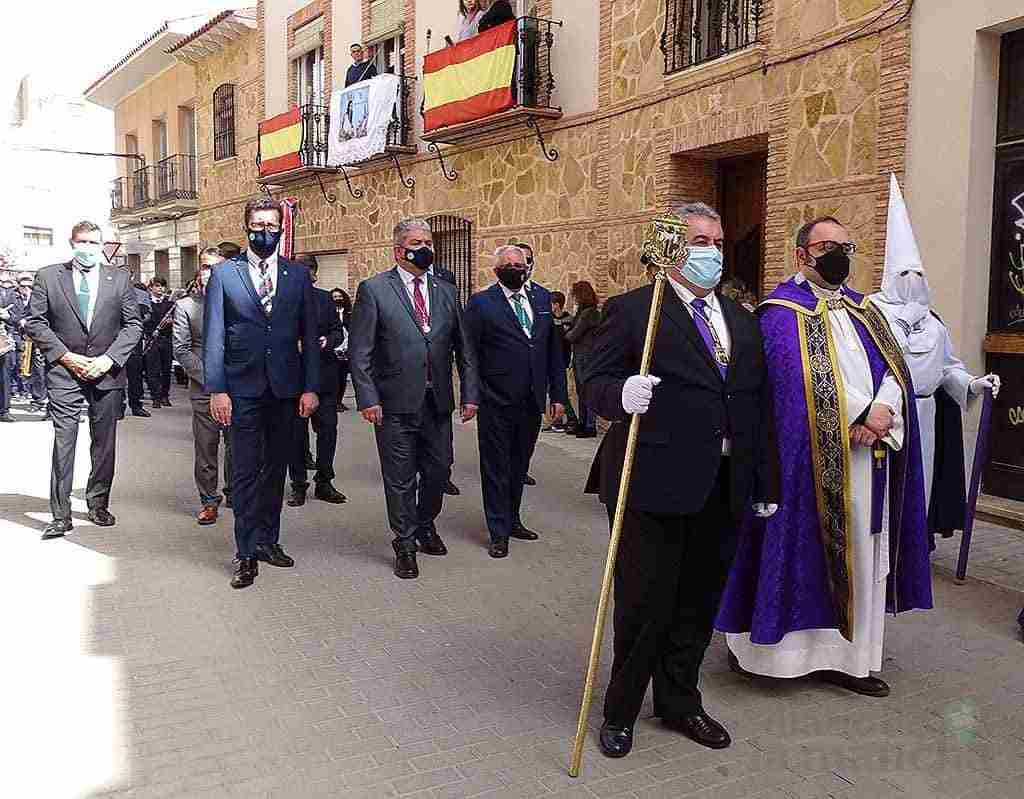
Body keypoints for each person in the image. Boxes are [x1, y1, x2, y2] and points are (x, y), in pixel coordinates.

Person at [583, 206, 779, 758]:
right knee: (646, 603)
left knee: (698, 601)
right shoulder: (634, 311)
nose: (712, 249)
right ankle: (621, 709)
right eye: (698, 240)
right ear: (672, 247)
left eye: (717, 240)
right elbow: (592, 376)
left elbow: (756, 406)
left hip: (723, 483)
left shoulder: (742, 319)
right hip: (652, 481)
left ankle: (679, 701)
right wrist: (618, 396)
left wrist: (764, 482)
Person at [717, 216, 933, 698]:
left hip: (865, 460)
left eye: (845, 245)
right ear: (801, 255)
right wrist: (855, 412)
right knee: (793, 549)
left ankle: (850, 660)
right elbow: (794, 388)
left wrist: (882, 411)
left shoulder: (866, 311)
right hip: (802, 466)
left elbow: (895, 370)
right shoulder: (777, 315)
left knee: (859, 554)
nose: (838, 254)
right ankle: (774, 657)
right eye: (826, 245)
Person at [349, 219, 479, 579]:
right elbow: (361, 352)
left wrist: (470, 394)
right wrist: (367, 398)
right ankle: (405, 542)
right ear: (398, 250)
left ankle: (425, 522)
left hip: (437, 402)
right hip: (392, 404)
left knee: (439, 471)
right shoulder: (374, 289)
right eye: (417, 242)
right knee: (400, 477)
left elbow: (464, 350)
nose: (425, 247)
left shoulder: (447, 291)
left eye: (429, 241)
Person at [869, 175, 1000, 532]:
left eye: (918, 272)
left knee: (921, 486)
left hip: (925, 413)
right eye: (904, 272)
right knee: (887, 491)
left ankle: (916, 543)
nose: (912, 279)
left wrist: (974, 384)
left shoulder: (934, 320)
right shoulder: (871, 311)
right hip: (890, 415)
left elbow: (947, 368)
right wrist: (905, 325)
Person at [203, 198, 320, 589]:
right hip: (242, 391)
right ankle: (246, 551)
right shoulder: (224, 274)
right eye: (257, 224)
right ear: (246, 227)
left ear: (281, 228)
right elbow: (214, 337)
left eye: (271, 224)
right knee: (245, 472)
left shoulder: (298, 275)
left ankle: (269, 540)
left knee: (276, 469)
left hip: (286, 390)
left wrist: (311, 387)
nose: (264, 231)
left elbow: (308, 336)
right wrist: (217, 390)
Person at [25, 221, 143, 540]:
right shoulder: (49, 276)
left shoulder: (119, 278)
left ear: (102, 245)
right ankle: (60, 514)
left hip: (107, 372)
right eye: (82, 242)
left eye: (93, 242)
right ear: (71, 242)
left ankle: (98, 503)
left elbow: (133, 325)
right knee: (65, 441)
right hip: (65, 372)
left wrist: (108, 359)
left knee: (104, 443)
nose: (87, 248)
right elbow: (35, 322)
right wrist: (66, 356)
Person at [464, 245, 567, 558]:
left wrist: (558, 395)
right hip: (495, 399)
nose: (514, 268)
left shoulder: (541, 298)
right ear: (496, 271)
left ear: (528, 266)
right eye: (506, 264)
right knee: (496, 466)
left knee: (519, 464)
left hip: (531, 399)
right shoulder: (481, 303)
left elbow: (553, 351)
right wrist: (472, 395)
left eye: (518, 264)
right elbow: (469, 354)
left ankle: (513, 519)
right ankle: (498, 531)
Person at [173, 247, 234, 525]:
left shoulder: (239, 302)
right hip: (204, 390)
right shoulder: (186, 306)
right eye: (206, 267)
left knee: (238, 446)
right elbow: (182, 350)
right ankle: (209, 500)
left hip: (238, 389)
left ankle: (235, 491)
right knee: (207, 448)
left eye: (216, 267)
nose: (210, 273)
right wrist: (212, 381)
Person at [286, 255, 347, 507]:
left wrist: (326, 341)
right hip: (295, 378)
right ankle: (298, 484)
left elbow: (337, 330)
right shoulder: (284, 300)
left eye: (308, 270)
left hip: (325, 377)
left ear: (314, 273)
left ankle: (325, 481)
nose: (305, 275)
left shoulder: (324, 299)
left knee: (327, 431)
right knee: (296, 435)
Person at [565, 280, 601, 438]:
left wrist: (566, 332)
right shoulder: (584, 312)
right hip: (581, 355)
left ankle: (589, 425)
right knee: (581, 391)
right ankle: (583, 422)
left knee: (587, 390)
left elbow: (574, 334)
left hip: (586, 356)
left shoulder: (589, 313)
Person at [545, 290, 579, 433]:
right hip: (548, 360)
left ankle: (571, 419)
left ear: (556, 305)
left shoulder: (569, 320)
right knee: (552, 391)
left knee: (560, 392)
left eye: (550, 304)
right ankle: (557, 421)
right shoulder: (547, 320)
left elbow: (569, 341)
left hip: (561, 360)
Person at [144, 276, 174, 407]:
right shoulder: (146, 303)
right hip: (152, 340)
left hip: (166, 339)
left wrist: (171, 322)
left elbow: (177, 321)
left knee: (166, 369)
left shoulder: (170, 304)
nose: (160, 288)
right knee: (152, 369)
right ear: (151, 288)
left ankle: (164, 395)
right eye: (157, 286)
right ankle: (155, 396)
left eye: (162, 286)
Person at [329, 287, 352, 410]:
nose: (337, 299)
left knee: (343, 376)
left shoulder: (349, 312)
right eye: (334, 297)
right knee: (335, 377)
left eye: (339, 296)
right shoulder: (328, 312)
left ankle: (339, 401)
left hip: (346, 347)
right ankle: (334, 402)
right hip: (333, 348)